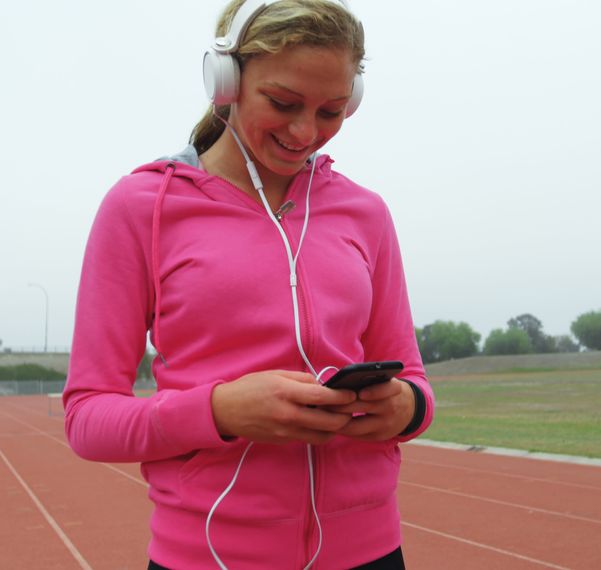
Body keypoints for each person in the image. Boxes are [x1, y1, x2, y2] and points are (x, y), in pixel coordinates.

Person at [63, 1, 434, 568]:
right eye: (283, 103)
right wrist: (220, 411)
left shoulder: (366, 213)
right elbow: (88, 419)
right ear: (227, 81)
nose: (305, 131)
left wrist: (403, 408)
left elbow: (413, 381)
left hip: (372, 552)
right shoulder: (142, 209)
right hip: (208, 554)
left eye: (332, 110)